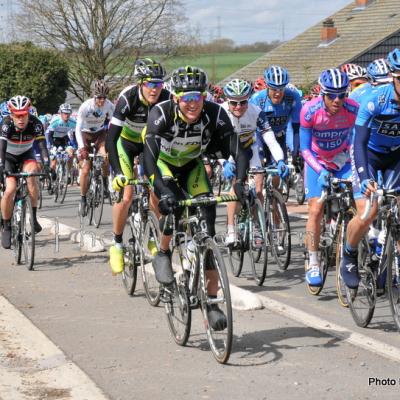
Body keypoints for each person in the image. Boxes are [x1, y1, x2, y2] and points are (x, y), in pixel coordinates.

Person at [142, 66, 249, 330]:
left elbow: (238, 149)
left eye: (197, 97)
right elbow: (149, 160)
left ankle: (211, 303)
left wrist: (240, 183)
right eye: (186, 98)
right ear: (176, 98)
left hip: (192, 165)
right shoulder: (161, 113)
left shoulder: (215, 113)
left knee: (208, 229)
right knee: (174, 208)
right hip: (165, 166)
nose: (193, 104)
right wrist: (162, 190)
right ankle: (164, 252)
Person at [340, 48, 400, 289]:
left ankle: (392, 260)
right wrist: (364, 177)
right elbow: (359, 142)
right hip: (369, 155)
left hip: (396, 156)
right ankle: (349, 254)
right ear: (393, 77)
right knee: (368, 212)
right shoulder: (376, 100)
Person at [107, 58, 170, 274]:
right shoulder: (128, 98)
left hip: (148, 145)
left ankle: (152, 234)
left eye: (159, 84)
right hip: (125, 144)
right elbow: (110, 139)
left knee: (156, 189)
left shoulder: (166, 98)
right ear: (141, 83)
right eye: (151, 84)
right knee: (126, 196)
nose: (155, 89)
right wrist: (116, 171)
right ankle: (116, 244)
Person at [300, 69, 358, 286]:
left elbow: (355, 141)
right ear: (322, 94)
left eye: (342, 95)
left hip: (342, 158)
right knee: (315, 209)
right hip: (317, 161)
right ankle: (313, 261)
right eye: (332, 95)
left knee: (359, 202)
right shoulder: (309, 111)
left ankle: (351, 249)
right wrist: (321, 169)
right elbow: (304, 149)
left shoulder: (353, 109)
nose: (337, 100)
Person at [220, 78, 288, 245]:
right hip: (229, 152)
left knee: (258, 190)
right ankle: (231, 229)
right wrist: (223, 162)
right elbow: (215, 141)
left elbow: (270, 139)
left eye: (243, 102)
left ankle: (256, 226)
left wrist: (280, 160)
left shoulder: (256, 112)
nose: (238, 107)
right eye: (234, 103)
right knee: (234, 191)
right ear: (227, 101)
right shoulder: (220, 113)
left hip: (250, 149)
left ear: (248, 100)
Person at [0, 95, 50, 248]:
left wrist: (47, 164)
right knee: (10, 190)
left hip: (26, 156)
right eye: (17, 115)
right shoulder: (6, 124)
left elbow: (42, 147)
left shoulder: (36, 124)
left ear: (29, 112)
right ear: (11, 114)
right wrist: (1, 167)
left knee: (33, 173)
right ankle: (7, 226)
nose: (21, 119)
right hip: (8, 157)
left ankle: (33, 218)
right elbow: (1, 148)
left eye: (24, 115)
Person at [75, 79, 115, 214]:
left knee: (105, 157)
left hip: (100, 134)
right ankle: (83, 198)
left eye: (104, 97)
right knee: (86, 169)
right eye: (99, 98)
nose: (102, 101)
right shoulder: (85, 107)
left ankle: (104, 181)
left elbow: (115, 122)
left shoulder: (109, 105)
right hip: (85, 134)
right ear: (94, 96)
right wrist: (81, 148)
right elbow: (77, 129)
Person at [250, 65, 301, 169]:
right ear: (267, 86)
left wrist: (295, 151)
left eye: (281, 89)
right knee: (258, 168)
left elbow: (296, 128)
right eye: (274, 89)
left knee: (281, 171)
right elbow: (250, 129)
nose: (278, 93)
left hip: (280, 135)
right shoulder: (257, 99)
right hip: (260, 136)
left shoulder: (293, 97)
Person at [46, 103, 77, 183]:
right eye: (64, 113)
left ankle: (68, 173)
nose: (66, 115)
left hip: (64, 139)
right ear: (60, 113)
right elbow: (49, 135)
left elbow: (75, 135)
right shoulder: (55, 121)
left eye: (68, 113)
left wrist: (75, 146)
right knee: (54, 160)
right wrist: (51, 146)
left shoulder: (73, 122)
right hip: (53, 139)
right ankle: (52, 173)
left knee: (70, 153)